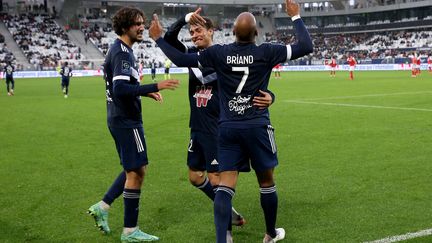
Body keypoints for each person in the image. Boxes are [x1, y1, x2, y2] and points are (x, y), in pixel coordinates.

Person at [149, 0, 313, 242]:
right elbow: (306, 45)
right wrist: (295, 16)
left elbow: (181, 60)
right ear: (257, 33)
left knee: (224, 187)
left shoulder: (219, 54)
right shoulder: (267, 51)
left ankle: (222, 240)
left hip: (227, 128)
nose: (195, 35)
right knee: (266, 181)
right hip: (256, 125)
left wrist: (159, 40)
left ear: (232, 32)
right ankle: (269, 234)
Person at [163, 9, 277, 239]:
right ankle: (230, 213)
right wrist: (184, 19)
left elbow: (249, 85)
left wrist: (271, 95)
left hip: (219, 126)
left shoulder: (223, 56)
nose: (194, 35)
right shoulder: (193, 54)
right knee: (195, 176)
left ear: (211, 31)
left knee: (218, 181)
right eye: (191, 32)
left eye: (198, 30)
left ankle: (226, 234)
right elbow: (168, 41)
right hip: (197, 125)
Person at [87, 7, 179, 242]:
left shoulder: (122, 50)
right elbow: (120, 90)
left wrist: (146, 94)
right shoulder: (122, 53)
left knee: (134, 168)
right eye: (137, 23)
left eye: (143, 22)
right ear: (125, 26)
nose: (142, 27)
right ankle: (129, 230)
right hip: (126, 120)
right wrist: (154, 87)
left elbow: (123, 87)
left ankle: (104, 207)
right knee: (138, 170)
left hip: (120, 118)